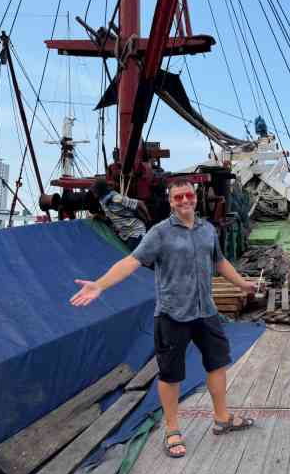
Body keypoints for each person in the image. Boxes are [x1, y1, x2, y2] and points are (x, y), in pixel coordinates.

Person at [71, 180, 257, 458]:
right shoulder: (159, 233)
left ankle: (222, 418)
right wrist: (100, 285)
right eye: (178, 197)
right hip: (172, 315)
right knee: (171, 375)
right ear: (171, 202)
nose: (184, 200)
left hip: (206, 311)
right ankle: (172, 429)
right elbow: (131, 262)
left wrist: (242, 284)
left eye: (189, 195)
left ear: (195, 198)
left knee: (217, 364)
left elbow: (219, 262)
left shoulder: (207, 229)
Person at [90, 180, 150, 251]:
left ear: (100, 190)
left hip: (136, 232)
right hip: (125, 235)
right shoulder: (103, 202)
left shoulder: (116, 198)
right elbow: (111, 219)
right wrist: (99, 216)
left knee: (133, 257)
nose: (93, 193)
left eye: (94, 191)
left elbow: (140, 203)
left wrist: (149, 219)